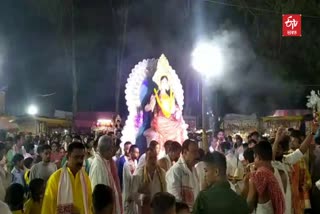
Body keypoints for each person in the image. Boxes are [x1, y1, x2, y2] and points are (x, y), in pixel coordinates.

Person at [143, 55, 188, 149]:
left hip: (171, 119)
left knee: (179, 125)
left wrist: (177, 112)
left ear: (168, 84)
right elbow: (147, 108)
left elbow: (175, 109)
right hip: (160, 119)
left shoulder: (171, 97)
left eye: (165, 82)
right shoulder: (155, 95)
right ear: (159, 84)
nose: (164, 84)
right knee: (159, 121)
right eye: (162, 82)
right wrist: (150, 105)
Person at [41, 142, 92, 214]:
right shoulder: (56, 178)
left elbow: (89, 204)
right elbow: (47, 208)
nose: (80, 161)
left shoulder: (85, 178)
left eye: (82, 157)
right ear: (68, 156)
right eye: (76, 157)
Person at [245, 141, 285, 214]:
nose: (254, 161)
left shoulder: (259, 175)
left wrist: (248, 181)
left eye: (254, 157)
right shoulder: (276, 170)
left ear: (259, 158)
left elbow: (249, 203)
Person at [89, 135, 122, 214]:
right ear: (108, 150)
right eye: (112, 148)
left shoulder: (105, 162)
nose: (114, 150)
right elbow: (99, 196)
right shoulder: (98, 165)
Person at [129, 148, 167, 214]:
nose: (153, 160)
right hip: (144, 209)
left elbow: (165, 191)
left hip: (159, 209)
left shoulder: (162, 173)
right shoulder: (138, 174)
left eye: (155, 158)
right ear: (146, 159)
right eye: (150, 158)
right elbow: (132, 194)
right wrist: (143, 197)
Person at [166, 139, 200, 211]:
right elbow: (176, 201)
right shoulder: (175, 171)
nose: (197, 155)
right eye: (194, 152)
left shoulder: (194, 169)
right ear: (185, 152)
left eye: (197, 152)